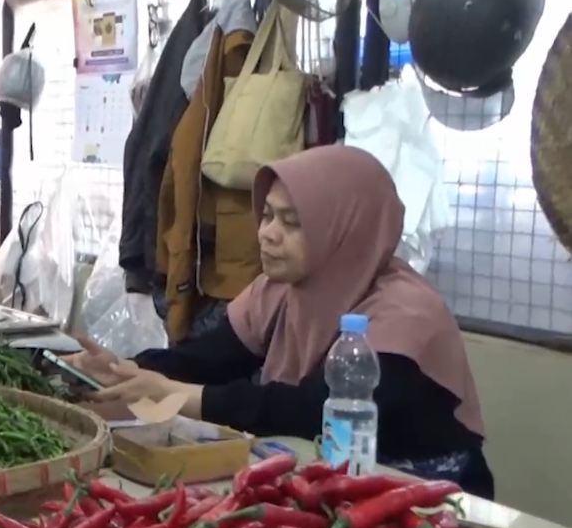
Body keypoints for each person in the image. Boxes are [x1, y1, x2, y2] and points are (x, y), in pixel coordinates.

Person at [67, 145, 493, 497]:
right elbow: (209, 357)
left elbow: (308, 410)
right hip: (333, 483)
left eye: (291, 222)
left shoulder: (407, 316)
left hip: (429, 500)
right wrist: (128, 370)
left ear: (345, 230)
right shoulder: (281, 290)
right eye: (267, 215)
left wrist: (176, 396)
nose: (267, 234)